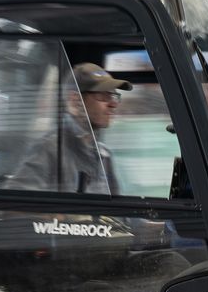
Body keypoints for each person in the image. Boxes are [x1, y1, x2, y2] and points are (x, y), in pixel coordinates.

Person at [9, 62, 129, 194]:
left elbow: (117, 210)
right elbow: (11, 205)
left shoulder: (104, 155)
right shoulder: (49, 149)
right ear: (74, 101)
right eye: (102, 96)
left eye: (113, 96)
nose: (112, 104)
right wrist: (60, 214)